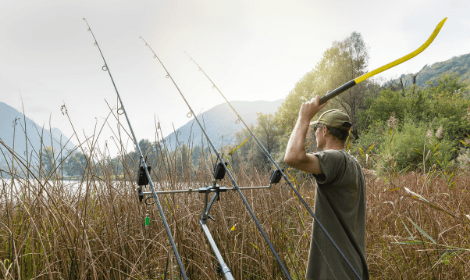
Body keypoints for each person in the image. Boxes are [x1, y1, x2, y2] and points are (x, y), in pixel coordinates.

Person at [284, 95, 369, 280]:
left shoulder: (334, 159)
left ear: (324, 131)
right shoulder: (353, 163)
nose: (314, 134)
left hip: (336, 271)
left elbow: (292, 157)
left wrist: (304, 118)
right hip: (351, 267)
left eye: (315, 129)